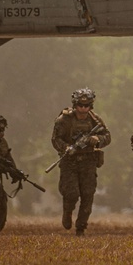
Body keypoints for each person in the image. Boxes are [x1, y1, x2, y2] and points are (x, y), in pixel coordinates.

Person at [51, 88, 111, 235]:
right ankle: (67, 211)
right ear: (75, 105)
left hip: (88, 161)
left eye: (87, 106)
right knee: (71, 193)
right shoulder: (64, 120)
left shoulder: (95, 120)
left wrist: (97, 140)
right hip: (69, 161)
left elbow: (107, 136)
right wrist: (66, 148)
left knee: (88, 194)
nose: (83, 109)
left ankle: (81, 227)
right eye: (80, 106)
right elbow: (55, 139)